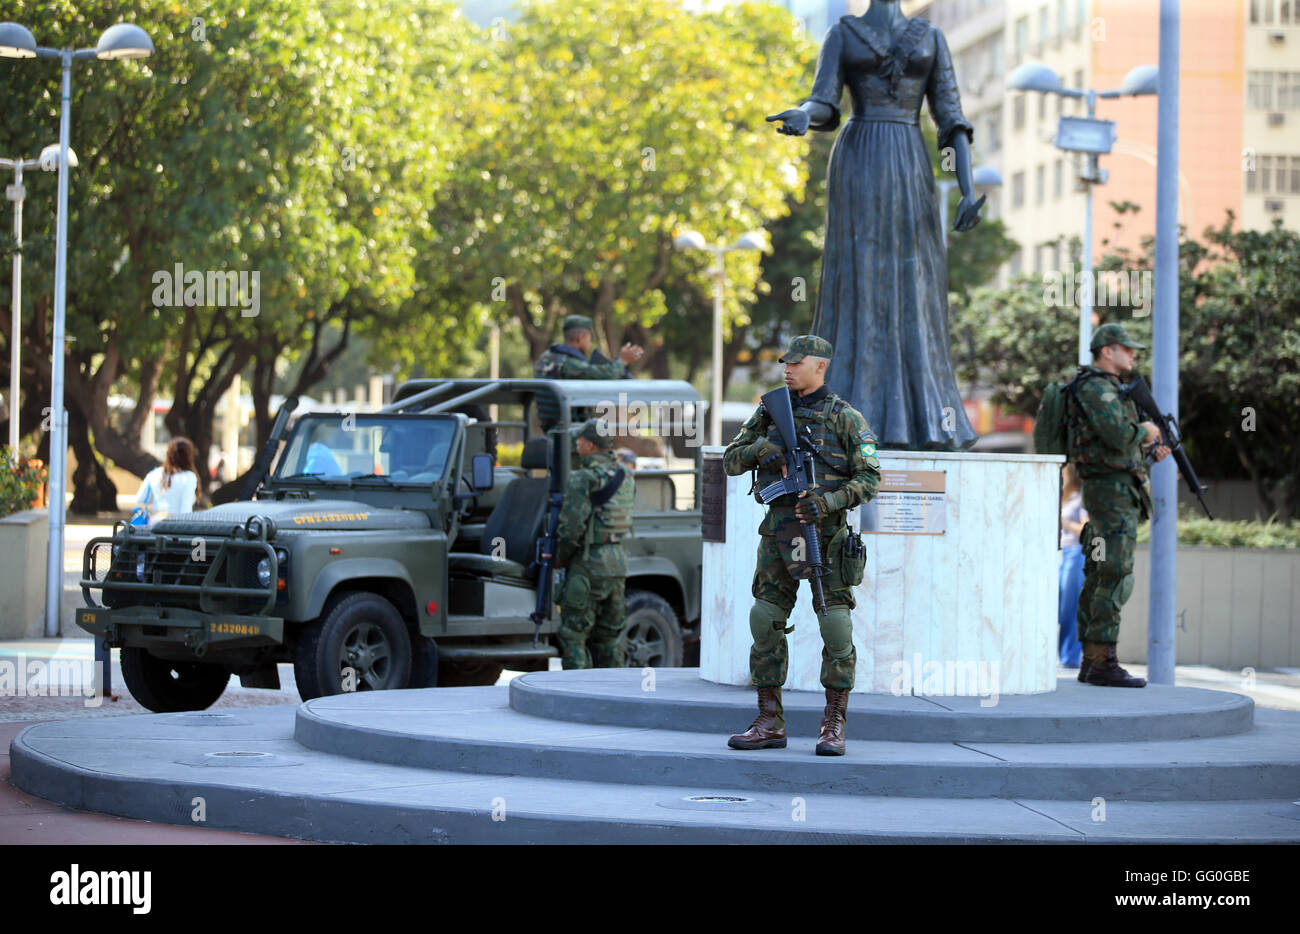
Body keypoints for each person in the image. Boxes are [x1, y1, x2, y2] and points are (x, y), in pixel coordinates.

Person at [767, 0, 981, 450]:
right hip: (860, 156)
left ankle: (921, 420)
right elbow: (825, 102)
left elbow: (951, 117)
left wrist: (967, 188)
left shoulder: (931, 37)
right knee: (859, 277)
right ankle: (845, 417)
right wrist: (806, 115)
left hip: (908, 157)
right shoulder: (843, 33)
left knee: (914, 280)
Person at [721, 336, 881, 756]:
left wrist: (828, 501)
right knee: (765, 619)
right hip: (779, 532)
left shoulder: (846, 418)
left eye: (797, 363)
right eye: (785, 364)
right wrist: (764, 450)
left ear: (820, 367)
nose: (787, 370)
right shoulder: (770, 410)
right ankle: (769, 720)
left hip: (826, 537)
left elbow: (870, 479)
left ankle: (834, 723)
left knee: (835, 626)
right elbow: (731, 460)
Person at [1067, 323, 1170, 687]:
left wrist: (1149, 454)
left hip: (1114, 490)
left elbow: (1117, 448)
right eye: (1127, 349)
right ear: (1107, 351)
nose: (1133, 355)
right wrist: (1147, 431)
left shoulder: (1110, 390)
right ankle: (1103, 664)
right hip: (1110, 495)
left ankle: (1094, 661)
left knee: (1102, 574)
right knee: (1113, 574)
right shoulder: (1097, 387)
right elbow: (1117, 434)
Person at [549, 418, 636, 669]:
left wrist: (559, 558)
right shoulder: (626, 475)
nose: (576, 444)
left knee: (574, 635)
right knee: (609, 638)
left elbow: (571, 528)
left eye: (579, 440)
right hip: (618, 562)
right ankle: (617, 695)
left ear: (589, 445)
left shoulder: (583, 478)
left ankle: (576, 695)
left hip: (588, 563)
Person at [533, 315, 644, 431]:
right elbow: (605, 375)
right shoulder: (568, 364)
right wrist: (623, 361)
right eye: (589, 340)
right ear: (580, 338)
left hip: (553, 427)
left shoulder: (547, 357)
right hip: (568, 431)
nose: (590, 344)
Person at [1058, 464, 1087, 669]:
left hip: (1077, 553)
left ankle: (1070, 658)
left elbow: (1088, 529)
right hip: (1062, 553)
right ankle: (1065, 656)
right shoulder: (1065, 497)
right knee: (1061, 607)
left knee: (1071, 607)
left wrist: (1066, 523)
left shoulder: (1081, 498)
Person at [136, 437, 200, 527]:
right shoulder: (189, 477)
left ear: (169, 454)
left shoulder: (155, 473)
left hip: (154, 523)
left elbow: (140, 498)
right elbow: (185, 510)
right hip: (174, 527)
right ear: (189, 456)